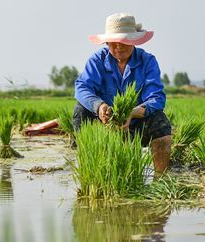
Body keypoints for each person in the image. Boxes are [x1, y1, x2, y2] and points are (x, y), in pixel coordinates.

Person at [73, 13, 172, 173]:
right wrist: (99, 107)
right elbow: (82, 87)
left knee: (160, 120)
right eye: (113, 42)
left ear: (133, 40)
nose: (119, 46)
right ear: (106, 42)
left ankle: (160, 180)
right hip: (105, 124)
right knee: (80, 111)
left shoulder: (147, 61)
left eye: (124, 41)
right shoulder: (97, 61)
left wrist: (132, 113)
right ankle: (91, 171)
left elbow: (156, 98)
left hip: (135, 123)